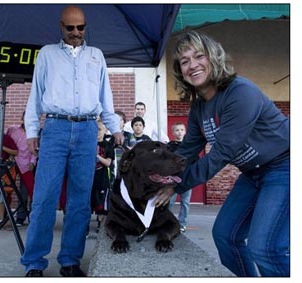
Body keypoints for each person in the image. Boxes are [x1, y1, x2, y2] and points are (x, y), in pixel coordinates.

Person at [153, 31, 289, 277]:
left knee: (266, 248)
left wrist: (177, 186)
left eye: (198, 56)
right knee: (226, 235)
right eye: (184, 61)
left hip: (285, 166)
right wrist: (162, 176)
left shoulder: (240, 93)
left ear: (213, 58)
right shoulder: (198, 106)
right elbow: (187, 151)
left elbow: (221, 154)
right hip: (253, 173)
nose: (192, 65)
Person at [21, 5, 124, 277]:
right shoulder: (47, 54)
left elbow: (105, 95)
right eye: (71, 28)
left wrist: (115, 127)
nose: (77, 32)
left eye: (81, 27)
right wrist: (32, 131)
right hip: (54, 128)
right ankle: (34, 262)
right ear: (61, 27)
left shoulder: (96, 55)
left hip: (88, 131)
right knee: (44, 198)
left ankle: (69, 261)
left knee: (80, 201)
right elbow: (36, 94)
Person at [6, 111, 37, 226]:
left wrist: (33, 162)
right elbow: (3, 139)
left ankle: (30, 216)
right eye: (25, 117)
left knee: (28, 191)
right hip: (12, 163)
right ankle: (15, 216)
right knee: (7, 188)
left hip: (26, 165)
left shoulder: (33, 133)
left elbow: (35, 150)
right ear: (22, 118)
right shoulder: (12, 129)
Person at [91, 119, 115, 230]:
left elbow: (108, 162)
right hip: (89, 178)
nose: (97, 132)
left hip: (102, 178)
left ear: (105, 131)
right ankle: (85, 227)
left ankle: (101, 226)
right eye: (95, 129)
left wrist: (98, 156)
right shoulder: (88, 144)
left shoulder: (108, 145)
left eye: (100, 129)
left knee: (101, 204)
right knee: (88, 203)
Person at [167, 122, 191, 233]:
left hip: (187, 178)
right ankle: (167, 222)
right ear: (172, 132)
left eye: (182, 129)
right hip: (173, 179)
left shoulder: (189, 145)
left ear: (185, 131)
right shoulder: (170, 146)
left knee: (185, 202)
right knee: (170, 202)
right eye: (177, 130)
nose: (179, 132)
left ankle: (182, 223)